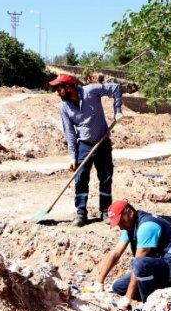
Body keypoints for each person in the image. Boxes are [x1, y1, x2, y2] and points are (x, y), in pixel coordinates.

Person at [48, 73, 123, 227]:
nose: (57, 92)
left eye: (58, 88)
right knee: (80, 178)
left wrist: (117, 110)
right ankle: (81, 213)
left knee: (106, 178)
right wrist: (72, 156)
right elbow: (69, 132)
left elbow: (116, 88)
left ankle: (105, 211)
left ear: (68, 87)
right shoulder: (64, 107)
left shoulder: (91, 91)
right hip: (84, 145)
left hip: (102, 143)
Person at [95, 200, 171, 310]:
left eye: (121, 221)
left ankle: (148, 304)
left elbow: (139, 262)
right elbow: (115, 254)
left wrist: (127, 298)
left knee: (139, 264)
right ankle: (156, 291)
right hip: (160, 265)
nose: (121, 227)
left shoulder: (147, 226)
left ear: (129, 212)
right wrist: (99, 282)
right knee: (118, 287)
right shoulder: (130, 226)